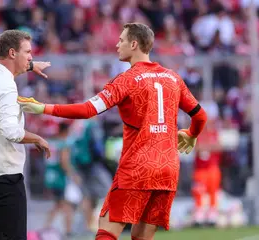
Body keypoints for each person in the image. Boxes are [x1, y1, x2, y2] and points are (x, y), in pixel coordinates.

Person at [17, 23, 207, 240]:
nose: (117, 45)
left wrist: (43, 107)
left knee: (107, 230)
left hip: (138, 167)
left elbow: (88, 109)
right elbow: (200, 116)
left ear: (134, 44)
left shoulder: (126, 80)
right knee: (143, 236)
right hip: (167, 168)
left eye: (121, 40)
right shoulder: (173, 78)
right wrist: (191, 135)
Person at [0, 29, 51, 240]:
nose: (31, 57)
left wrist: (33, 66)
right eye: (28, 52)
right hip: (5, 174)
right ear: (13, 53)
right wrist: (37, 138)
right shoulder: (6, 87)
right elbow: (10, 131)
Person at [44, 122, 80, 237]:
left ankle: (47, 227)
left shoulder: (52, 143)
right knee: (66, 204)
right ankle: (68, 231)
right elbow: (64, 162)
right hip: (60, 178)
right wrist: (73, 175)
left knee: (58, 204)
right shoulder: (64, 144)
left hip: (51, 177)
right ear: (66, 131)